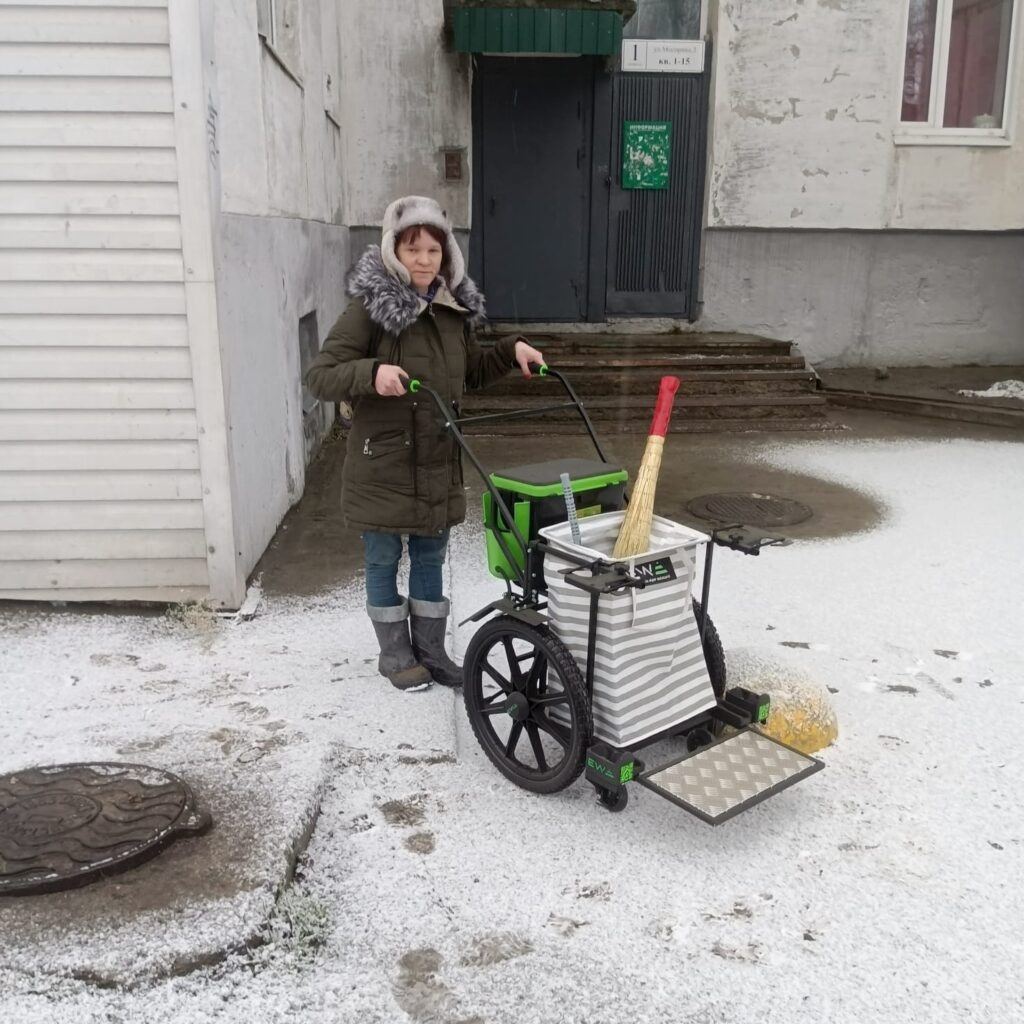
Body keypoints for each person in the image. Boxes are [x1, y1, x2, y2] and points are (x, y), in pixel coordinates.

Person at [305, 196, 544, 691]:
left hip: (437, 461)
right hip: (384, 465)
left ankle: (432, 651)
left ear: (446, 255)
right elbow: (320, 376)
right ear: (394, 251)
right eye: (413, 248)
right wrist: (372, 374)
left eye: (433, 249)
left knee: (431, 557)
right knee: (383, 558)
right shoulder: (371, 309)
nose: (423, 259)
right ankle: (394, 653)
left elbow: (470, 373)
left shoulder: (452, 311)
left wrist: (509, 350)